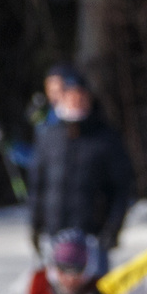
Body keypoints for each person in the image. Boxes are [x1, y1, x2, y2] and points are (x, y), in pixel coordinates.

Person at [27, 63, 135, 271]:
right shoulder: (48, 135)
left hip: (91, 237)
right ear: (62, 98)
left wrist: (112, 229)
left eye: (81, 96)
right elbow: (37, 184)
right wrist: (35, 224)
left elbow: (122, 187)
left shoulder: (106, 138)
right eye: (70, 95)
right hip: (54, 235)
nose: (76, 101)